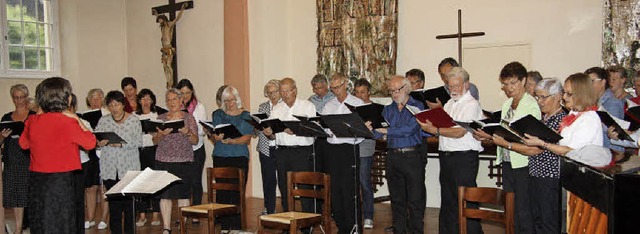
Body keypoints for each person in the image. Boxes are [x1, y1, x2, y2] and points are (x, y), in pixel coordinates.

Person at [19, 77, 96, 233]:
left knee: (40, 221)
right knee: (61, 223)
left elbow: (23, 144)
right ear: (66, 98)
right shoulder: (68, 122)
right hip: (60, 182)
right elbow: (90, 143)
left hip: (37, 182)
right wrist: (76, 118)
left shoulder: (32, 121)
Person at [492, 78, 566, 233]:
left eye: (543, 97)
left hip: (549, 176)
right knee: (536, 219)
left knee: (548, 221)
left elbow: (538, 149)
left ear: (558, 96)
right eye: (538, 97)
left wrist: (509, 145)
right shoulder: (544, 119)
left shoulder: (561, 119)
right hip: (535, 174)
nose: (539, 102)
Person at [474, 61, 539, 234]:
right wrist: (488, 135)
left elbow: (528, 139)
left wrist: (507, 143)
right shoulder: (507, 104)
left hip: (523, 163)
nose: (508, 88)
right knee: (510, 207)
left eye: (512, 83)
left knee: (523, 208)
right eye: (505, 84)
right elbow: (505, 132)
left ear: (523, 81)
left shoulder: (530, 104)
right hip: (508, 161)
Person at [417, 67, 484, 234]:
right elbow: (444, 125)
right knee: (448, 201)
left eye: (456, 85)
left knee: (466, 200)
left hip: (463, 158)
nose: (453, 89)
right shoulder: (448, 104)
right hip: (447, 156)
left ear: (466, 85)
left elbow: (459, 131)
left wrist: (435, 131)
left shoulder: (471, 104)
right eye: (450, 86)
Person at [370, 75, 426, 234]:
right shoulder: (388, 109)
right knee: (397, 200)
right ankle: (399, 230)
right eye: (391, 90)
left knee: (415, 200)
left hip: (411, 156)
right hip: (393, 157)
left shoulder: (418, 106)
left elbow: (410, 129)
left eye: (397, 90)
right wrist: (369, 129)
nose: (394, 93)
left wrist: (388, 131)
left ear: (407, 88)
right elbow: (378, 133)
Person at [523, 73, 605, 164]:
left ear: (582, 94)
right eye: (564, 92)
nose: (564, 97)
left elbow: (570, 151)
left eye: (569, 94)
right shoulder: (574, 114)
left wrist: (542, 143)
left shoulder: (589, 119)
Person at [262, 78, 316, 213]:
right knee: (284, 187)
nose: (285, 94)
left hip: (302, 152)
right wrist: (269, 133)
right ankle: (287, 222)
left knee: (305, 189)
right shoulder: (277, 108)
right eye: (282, 91)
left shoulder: (307, 106)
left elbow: (313, 131)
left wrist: (296, 130)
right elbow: (274, 135)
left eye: (288, 91)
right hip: (282, 152)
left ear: (295, 91)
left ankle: (306, 225)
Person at [320, 74, 364, 234]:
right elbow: (324, 128)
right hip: (332, 151)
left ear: (346, 84)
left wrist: (345, 130)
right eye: (333, 88)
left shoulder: (356, 103)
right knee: (335, 191)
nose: (336, 90)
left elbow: (362, 130)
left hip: (349, 150)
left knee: (350, 191)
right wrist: (330, 131)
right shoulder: (328, 105)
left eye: (338, 87)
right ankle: (342, 227)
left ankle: (354, 227)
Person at [95, 90, 142, 234]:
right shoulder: (104, 120)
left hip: (128, 169)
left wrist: (121, 144)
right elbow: (96, 140)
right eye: (111, 105)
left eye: (117, 104)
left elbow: (139, 142)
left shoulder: (134, 120)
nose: (114, 108)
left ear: (123, 105)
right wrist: (99, 143)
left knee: (129, 208)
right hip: (110, 168)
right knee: (114, 208)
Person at [206, 86, 253, 230]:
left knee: (237, 191)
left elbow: (246, 138)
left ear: (237, 99)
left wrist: (233, 141)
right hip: (221, 156)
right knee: (222, 192)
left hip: (239, 156)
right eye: (226, 100)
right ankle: (225, 226)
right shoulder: (218, 114)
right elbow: (214, 133)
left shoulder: (246, 115)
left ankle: (237, 226)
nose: (230, 103)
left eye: (232, 100)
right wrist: (216, 136)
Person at [153, 89, 198, 234]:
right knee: (165, 195)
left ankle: (182, 225)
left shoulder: (188, 118)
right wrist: (160, 135)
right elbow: (154, 141)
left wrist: (188, 133)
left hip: (184, 160)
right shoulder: (160, 118)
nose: (171, 102)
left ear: (181, 101)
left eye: (174, 99)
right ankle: (166, 227)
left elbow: (195, 140)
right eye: (168, 100)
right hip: (163, 160)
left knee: (183, 194)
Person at [2, 84, 35, 234]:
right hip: (12, 158)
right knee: (15, 194)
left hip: (29, 158)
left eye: (21, 97)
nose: (19, 100)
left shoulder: (34, 115)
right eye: (16, 97)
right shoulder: (7, 117)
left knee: (29, 193)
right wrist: (2, 136)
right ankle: (17, 228)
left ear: (26, 97)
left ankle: (32, 226)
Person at [176, 79, 207, 225]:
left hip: (196, 148)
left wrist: (190, 127)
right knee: (182, 182)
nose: (185, 95)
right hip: (180, 150)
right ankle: (183, 212)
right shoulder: (174, 108)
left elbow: (202, 130)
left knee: (195, 181)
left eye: (188, 92)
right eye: (182, 93)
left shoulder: (199, 107)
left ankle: (196, 212)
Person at [134, 89, 162, 227]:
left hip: (153, 150)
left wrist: (154, 133)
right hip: (139, 151)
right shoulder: (134, 116)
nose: (146, 102)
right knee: (140, 182)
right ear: (139, 101)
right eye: (143, 99)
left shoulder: (157, 115)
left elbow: (161, 135)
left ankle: (156, 214)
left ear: (152, 101)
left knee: (154, 181)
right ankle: (142, 214)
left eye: (148, 99)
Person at [255, 79, 282, 215]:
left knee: (283, 179)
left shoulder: (285, 106)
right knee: (268, 179)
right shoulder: (263, 107)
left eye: (275, 92)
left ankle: (286, 208)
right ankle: (269, 208)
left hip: (281, 147)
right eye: (269, 93)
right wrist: (254, 126)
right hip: (266, 147)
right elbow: (258, 129)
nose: (273, 95)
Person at [85, 88, 109, 230]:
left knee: (104, 187)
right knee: (90, 187)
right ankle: (90, 217)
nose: (95, 101)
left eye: (98, 98)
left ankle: (104, 217)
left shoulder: (108, 114)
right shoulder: (83, 115)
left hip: (106, 152)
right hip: (91, 153)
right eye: (92, 98)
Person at [585, 67, 624, 154]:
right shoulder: (593, 102)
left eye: (591, 81)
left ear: (603, 82)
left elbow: (615, 132)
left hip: (610, 153)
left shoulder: (612, 102)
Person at [353, 78, 376, 229]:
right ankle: (354, 215)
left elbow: (377, 131)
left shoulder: (374, 108)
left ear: (368, 92)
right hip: (350, 148)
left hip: (365, 149)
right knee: (352, 184)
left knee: (364, 183)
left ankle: (368, 216)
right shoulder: (351, 107)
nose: (360, 95)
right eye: (357, 92)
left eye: (363, 92)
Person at [153, 3, 188, 88]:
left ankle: (171, 82)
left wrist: (182, 9)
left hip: (169, 48)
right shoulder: (162, 28)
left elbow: (177, 18)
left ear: (163, 19)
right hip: (164, 49)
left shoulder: (169, 25)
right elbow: (159, 16)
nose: (159, 22)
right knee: (165, 66)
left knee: (169, 65)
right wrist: (156, 14)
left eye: (160, 20)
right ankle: (168, 81)